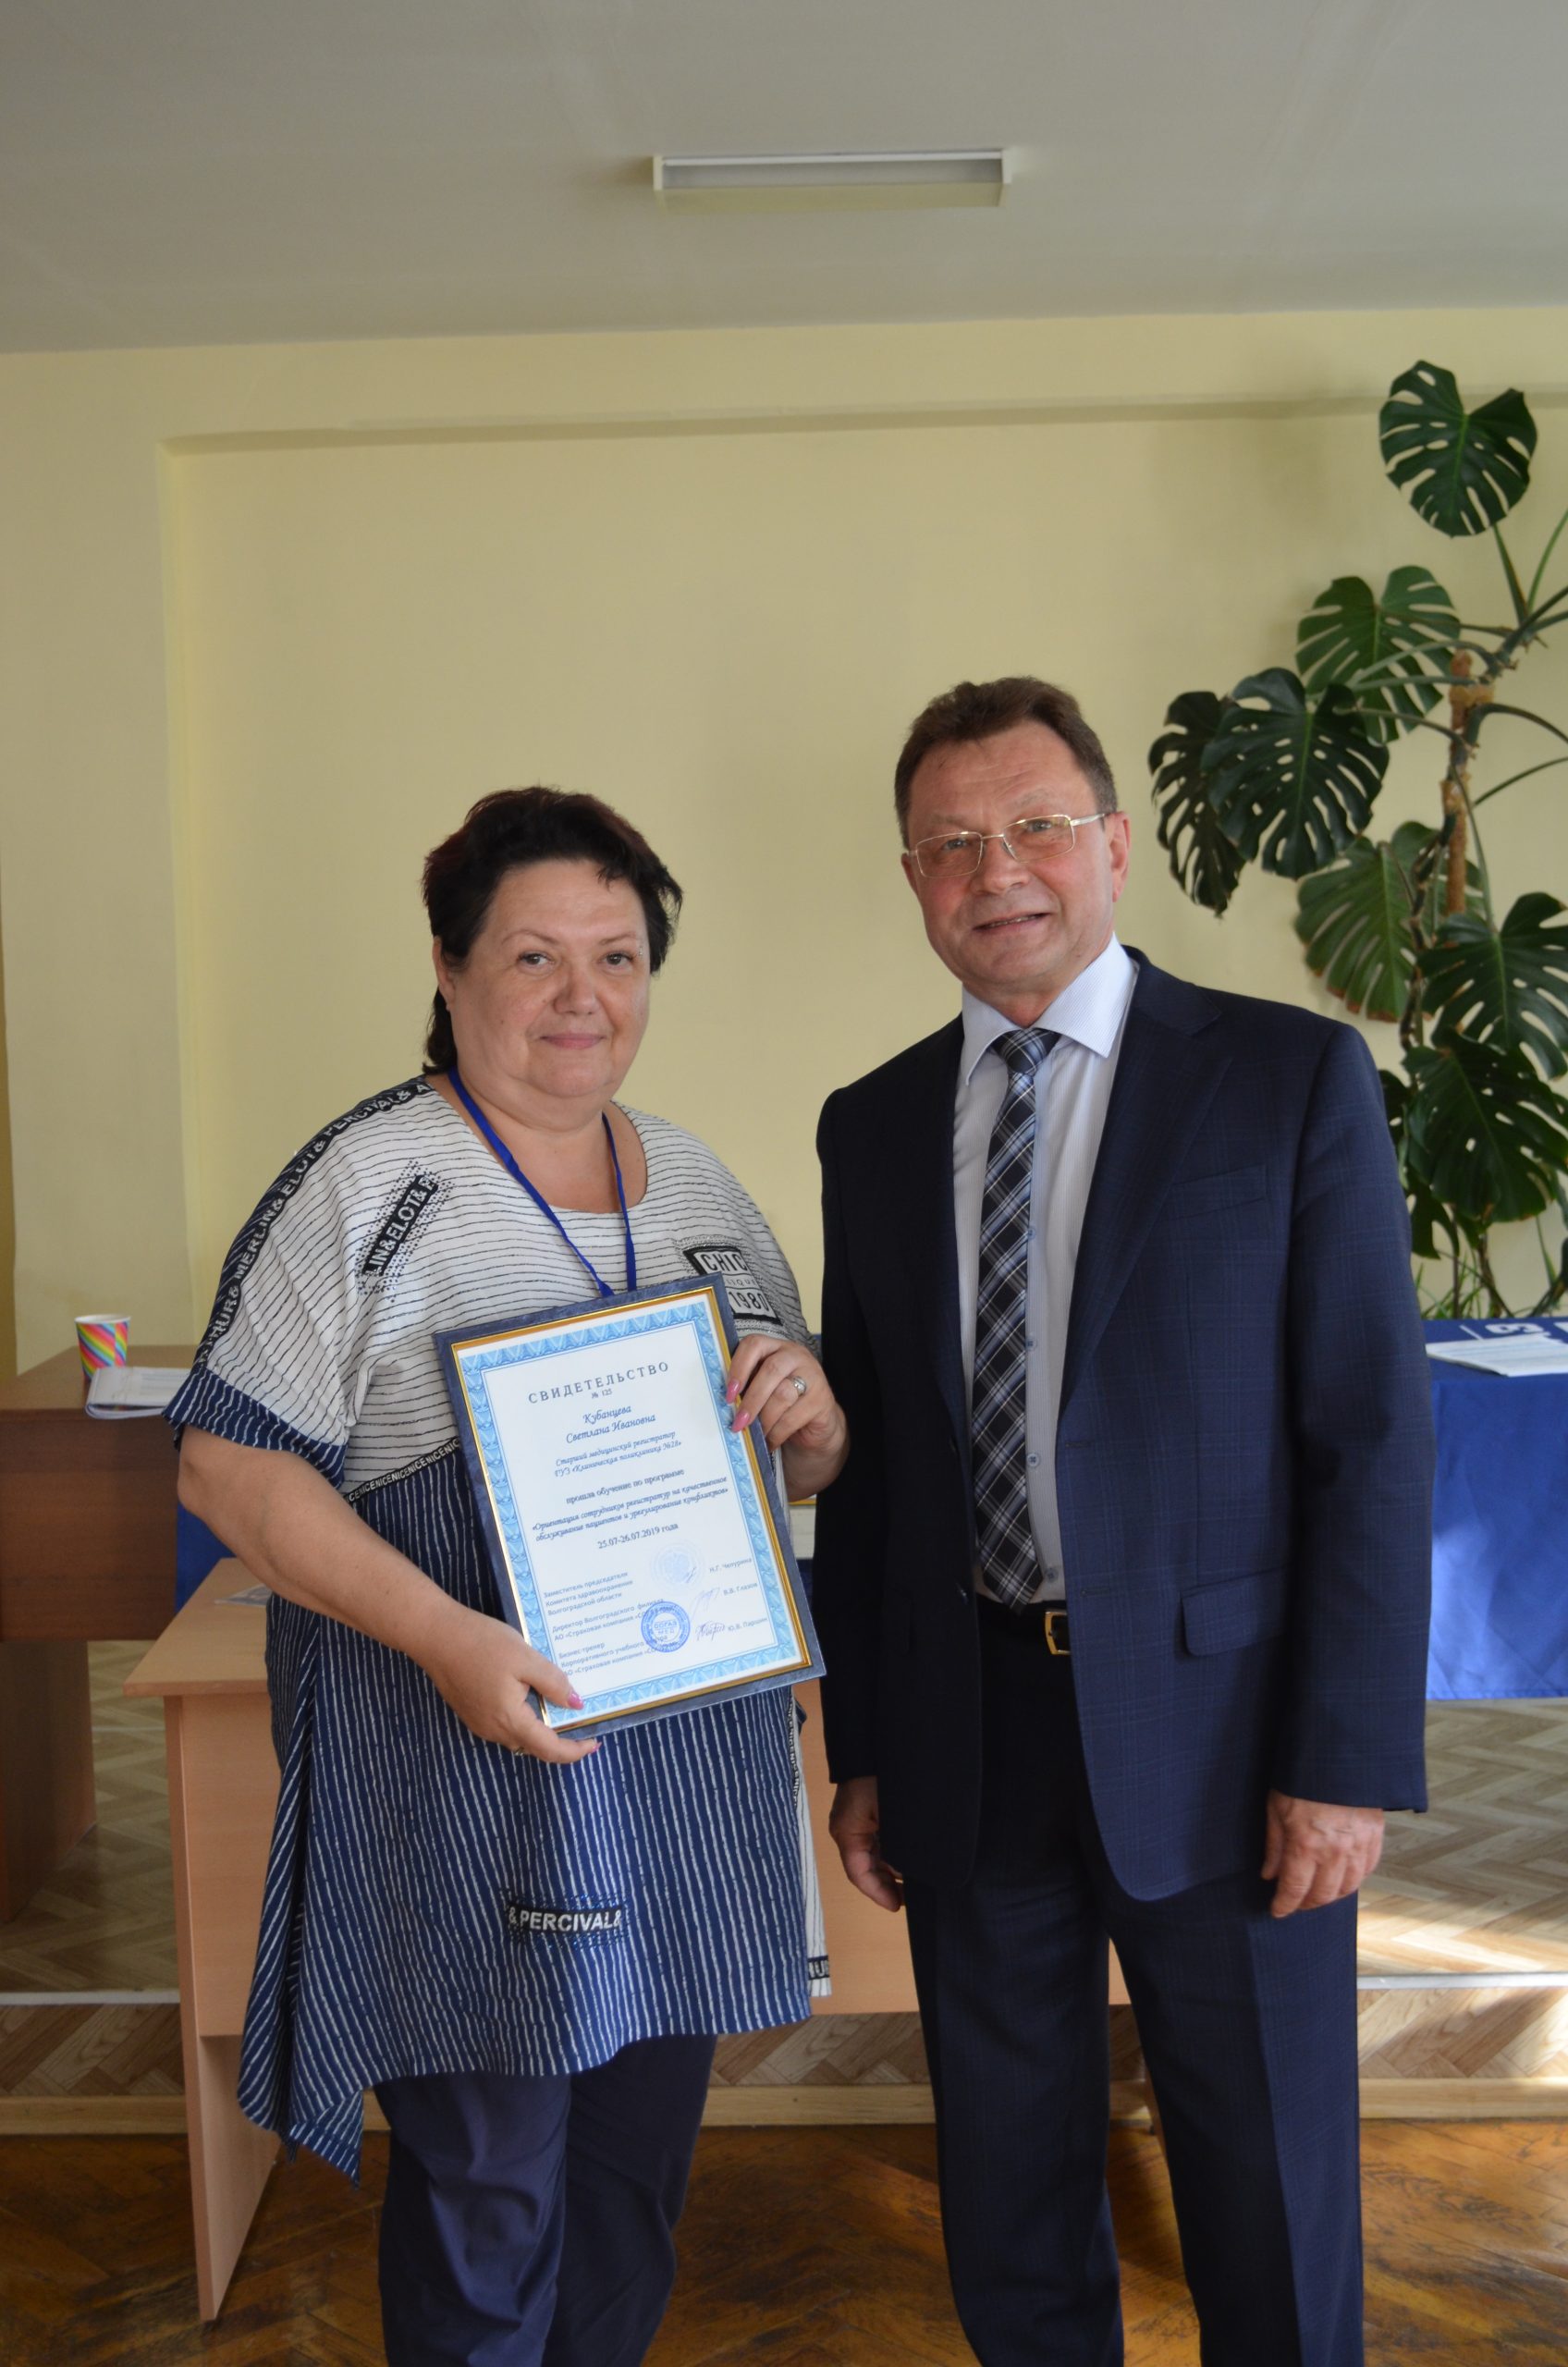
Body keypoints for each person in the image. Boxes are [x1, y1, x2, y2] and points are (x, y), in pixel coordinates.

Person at [170, 786, 847, 2367]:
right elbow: (225, 1466)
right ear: (450, 965)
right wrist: (446, 1635)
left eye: (617, 957)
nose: (580, 997)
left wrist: (813, 1421)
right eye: (535, 956)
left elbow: (796, 1463)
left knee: (629, 2188)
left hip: (674, 1777)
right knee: (488, 2191)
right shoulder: (369, 1181)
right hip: (460, 1763)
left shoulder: (698, 1184)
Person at [812, 677, 1433, 2367]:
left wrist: (1345, 1758)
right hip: (971, 1730)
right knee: (1010, 2190)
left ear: (1114, 844)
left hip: (1230, 1737)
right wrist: (866, 1745)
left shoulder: (1288, 1078)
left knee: (1267, 2188)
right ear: (914, 881)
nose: (995, 870)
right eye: (951, 844)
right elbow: (875, 1468)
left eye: (1034, 826)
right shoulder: (870, 1126)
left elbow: (1370, 1437)